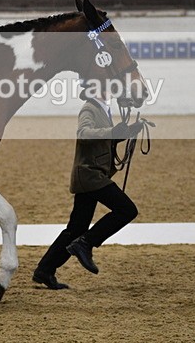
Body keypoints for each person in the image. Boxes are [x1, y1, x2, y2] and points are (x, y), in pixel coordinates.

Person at [32, 91, 144, 289]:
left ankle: (45, 270)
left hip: (91, 175)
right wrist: (112, 132)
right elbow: (84, 134)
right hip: (90, 176)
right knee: (127, 210)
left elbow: (103, 139)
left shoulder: (104, 109)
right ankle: (86, 243)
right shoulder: (89, 108)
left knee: (76, 228)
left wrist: (126, 132)